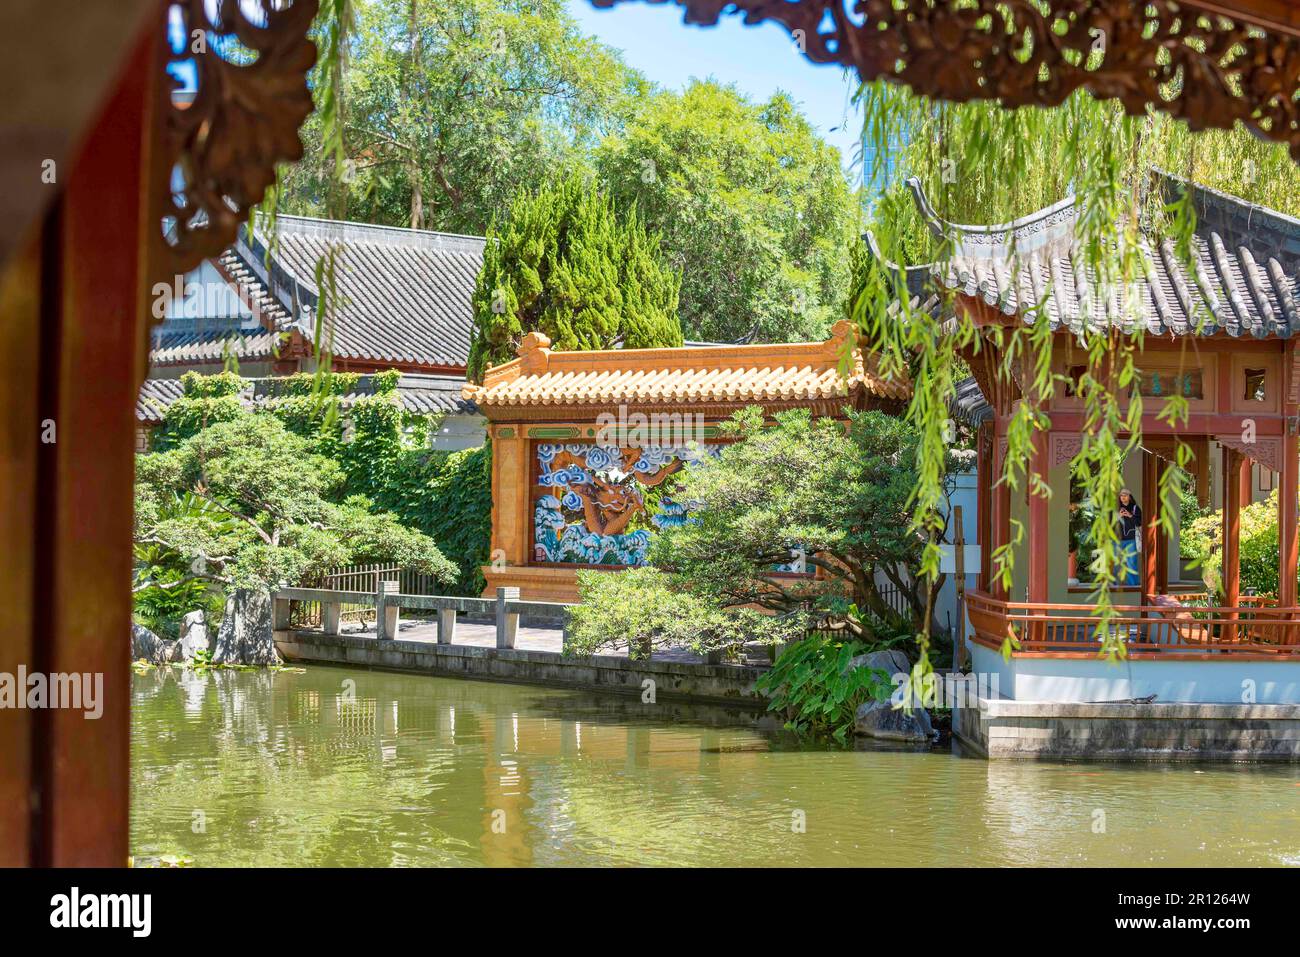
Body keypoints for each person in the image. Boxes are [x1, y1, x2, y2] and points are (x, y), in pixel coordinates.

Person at [1116, 488, 1142, 586]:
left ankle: (1133, 585)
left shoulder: (1135, 508)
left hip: (1131, 539)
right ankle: (1118, 585)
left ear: (1130, 497)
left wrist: (1130, 515)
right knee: (1118, 563)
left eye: (1125, 495)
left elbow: (1139, 522)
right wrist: (1118, 516)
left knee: (1132, 563)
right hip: (1119, 539)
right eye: (1121, 495)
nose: (1123, 497)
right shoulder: (1117, 509)